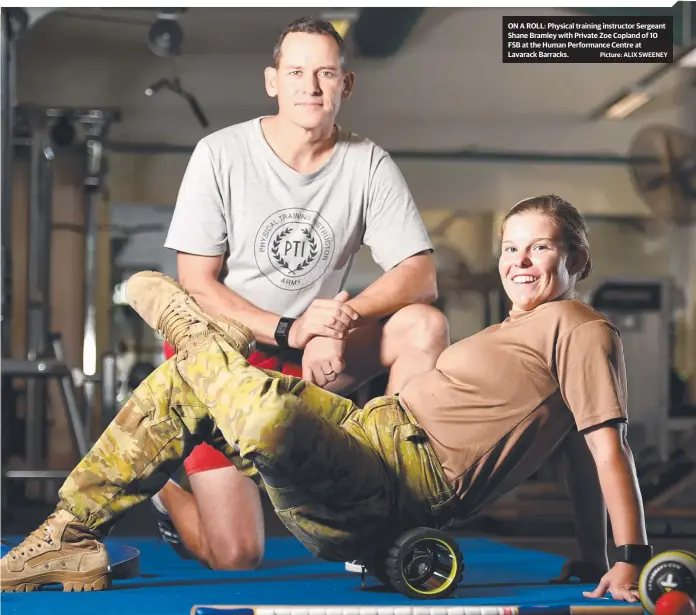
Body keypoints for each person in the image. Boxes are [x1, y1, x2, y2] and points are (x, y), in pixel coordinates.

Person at [1, 195, 651, 604]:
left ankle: (207, 340)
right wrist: (589, 554)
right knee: (178, 389)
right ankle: (70, 535)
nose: (521, 260)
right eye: (512, 247)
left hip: (398, 482)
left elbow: (601, 452)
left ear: (577, 256)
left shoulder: (581, 328)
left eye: (541, 246)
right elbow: (571, 452)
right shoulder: (515, 329)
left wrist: (627, 560)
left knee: (269, 416)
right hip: (362, 431)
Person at [151, 16, 449, 571]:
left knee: (424, 327)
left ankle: (392, 505)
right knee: (236, 556)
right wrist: (290, 328)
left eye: (325, 73)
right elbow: (195, 280)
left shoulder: (368, 162)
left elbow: (420, 276)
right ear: (272, 81)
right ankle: (166, 491)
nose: (310, 86)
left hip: (312, 355)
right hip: (223, 360)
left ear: (346, 84)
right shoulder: (220, 154)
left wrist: (337, 318)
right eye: (296, 72)